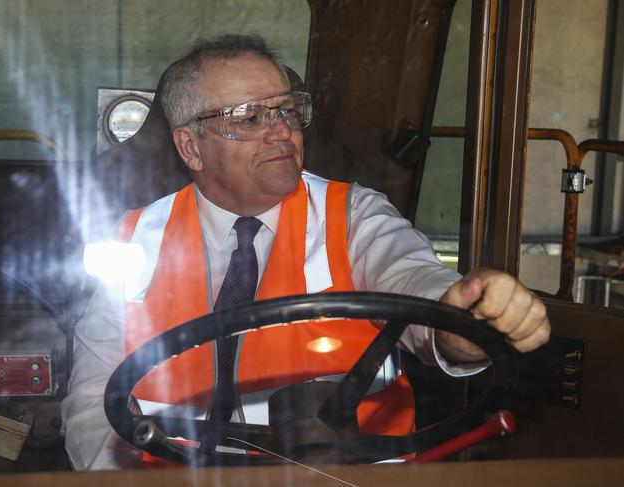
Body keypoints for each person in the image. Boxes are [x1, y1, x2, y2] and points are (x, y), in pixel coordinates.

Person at [61, 34, 550, 470]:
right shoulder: (137, 235)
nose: (281, 131)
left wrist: (461, 318)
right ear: (191, 147)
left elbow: (414, 280)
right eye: (250, 117)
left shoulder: (355, 215)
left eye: (287, 110)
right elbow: (92, 393)